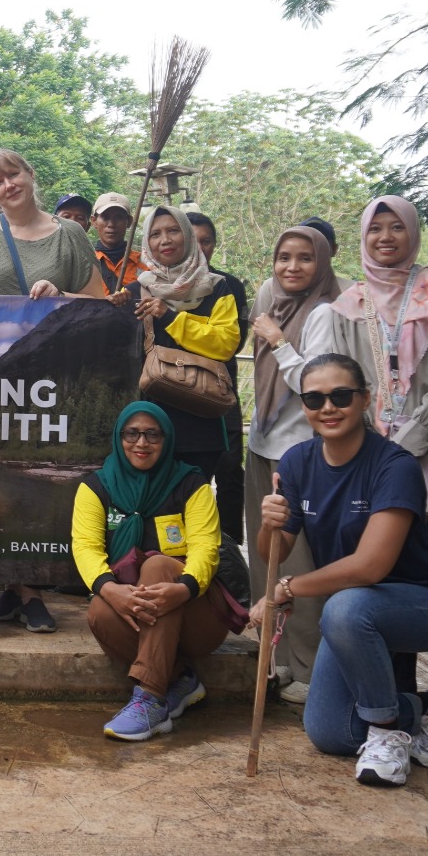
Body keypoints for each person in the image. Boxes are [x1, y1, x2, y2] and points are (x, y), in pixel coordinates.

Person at [323, 194, 428, 764]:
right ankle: (402, 712)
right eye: (376, 228)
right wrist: (379, 450)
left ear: (413, 233)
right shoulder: (350, 303)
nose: (386, 238)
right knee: (384, 582)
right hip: (379, 459)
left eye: (397, 227)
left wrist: (405, 445)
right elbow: (349, 381)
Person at [253, 353, 428, 787]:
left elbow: (371, 567)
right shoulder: (296, 462)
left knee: (347, 605)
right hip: (354, 614)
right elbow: (272, 552)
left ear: (365, 400)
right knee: (330, 731)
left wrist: (286, 589)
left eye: (341, 395)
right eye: (314, 398)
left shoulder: (395, 466)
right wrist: (270, 522)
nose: (327, 407)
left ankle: (387, 733)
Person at [0, 149, 106, 633]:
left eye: (13, 174)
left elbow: (100, 303)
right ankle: (18, 587)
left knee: (35, 485)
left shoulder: (71, 236)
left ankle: (28, 590)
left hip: (50, 381)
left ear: (30, 175)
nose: (7, 186)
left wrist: (62, 297)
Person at [74, 402, 230, 740]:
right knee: (100, 610)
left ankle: (150, 698)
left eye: (152, 434)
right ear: (119, 437)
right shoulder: (95, 487)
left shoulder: (192, 484)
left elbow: (207, 548)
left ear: (167, 439)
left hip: (197, 615)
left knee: (159, 565)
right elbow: (85, 547)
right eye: (132, 433)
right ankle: (180, 679)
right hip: (138, 614)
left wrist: (186, 587)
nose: (141, 443)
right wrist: (109, 588)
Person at [245, 226, 339, 705]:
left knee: (296, 559)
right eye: (284, 257)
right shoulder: (271, 297)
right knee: (262, 551)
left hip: (299, 450)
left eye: (304, 258)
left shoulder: (323, 311)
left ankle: (306, 666)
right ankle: (271, 658)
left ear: (321, 263)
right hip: (262, 440)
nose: (292, 267)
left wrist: (280, 341)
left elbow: (318, 382)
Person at [128, 204, 241, 482]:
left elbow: (225, 343)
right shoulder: (136, 290)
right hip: (148, 425)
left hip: (200, 419)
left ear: (187, 236)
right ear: (147, 242)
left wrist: (169, 316)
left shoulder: (216, 287)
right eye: (155, 234)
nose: (164, 240)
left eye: (173, 231)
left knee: (195, 508)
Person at [187, 211, 250, 546]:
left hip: (221, 391)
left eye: (206, 241)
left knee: (229, 471)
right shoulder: (159, 284)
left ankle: (229, 552)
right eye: (192, 240)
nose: (200, 248)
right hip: (175, 393)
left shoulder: (228, 285)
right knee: (186, 478)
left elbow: (231, 342)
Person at [90, 191, 143, 307]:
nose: (111, 224)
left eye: (118, 217)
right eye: (105, 217)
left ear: (129, 222)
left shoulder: (145, 262)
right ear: (94, 221)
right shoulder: (86, 264)